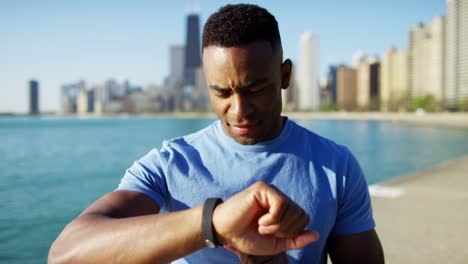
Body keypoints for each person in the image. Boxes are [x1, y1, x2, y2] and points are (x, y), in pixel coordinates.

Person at [48, 4, 384, 264]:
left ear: (284, 75)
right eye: (222, 92)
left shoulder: (336, 165)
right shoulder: (170, 163)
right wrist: (214, 223)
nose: (239, 109)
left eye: (255, 89)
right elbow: (67, 254)